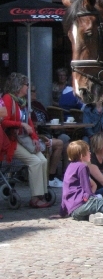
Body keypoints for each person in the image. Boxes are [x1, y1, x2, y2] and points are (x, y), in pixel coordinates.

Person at [1, 73, 52, 208]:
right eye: (26, 85)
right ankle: (35, 198)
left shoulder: (22, 102)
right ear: (18, 86)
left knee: (43, 160)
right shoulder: (7, 99)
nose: (28, 88)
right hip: (11, 140)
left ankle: (42, 193)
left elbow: (28, 122)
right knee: (35, 162)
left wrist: (35, 138)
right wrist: (20, 125)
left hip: (24, 139)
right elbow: (4, 121)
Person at [50, 140, 103, 226]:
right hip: (83, 204)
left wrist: (62, 213)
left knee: (97, 210)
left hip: (74, 212)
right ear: (82, 155)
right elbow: (86, 188)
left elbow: (65, 192)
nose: (90, 153)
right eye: (88, 151)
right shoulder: (82, 166)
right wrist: (93, 199)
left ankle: (96, 217)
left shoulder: (70, 166)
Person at [30, 84, 70, 188]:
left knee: (66, 139)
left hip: (48, 132)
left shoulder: (38, 104)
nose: (35, 93)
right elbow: (32, 125)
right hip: (39, 135)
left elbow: (47, 117)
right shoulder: (26, 107)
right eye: (32, 91)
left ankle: (66, 174)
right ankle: (51, 176)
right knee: (60, 143)